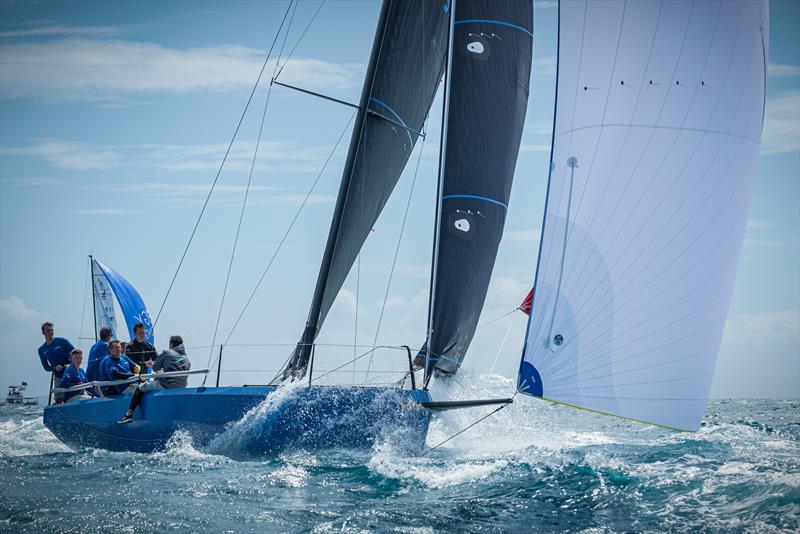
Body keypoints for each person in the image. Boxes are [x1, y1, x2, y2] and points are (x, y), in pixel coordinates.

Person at [118, 335, 191, 424]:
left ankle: (129, 414)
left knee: (140, 387)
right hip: (181, 387)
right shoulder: (186, 358)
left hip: (167, 385)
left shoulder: (167, 352)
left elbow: (156, 368)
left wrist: (154, 364)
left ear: (171, 344)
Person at [37, 322, 75, 403]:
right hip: (58, 377)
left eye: (52, 330)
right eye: (47, 330)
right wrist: (54, 368)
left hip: (71, 374)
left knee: (74, 396)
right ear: (43, 333)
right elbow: (46, 367)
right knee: (58, 401)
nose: (50, 332)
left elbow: (75, 353)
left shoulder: (62, 341)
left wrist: (68, 364)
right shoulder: (41, 350)